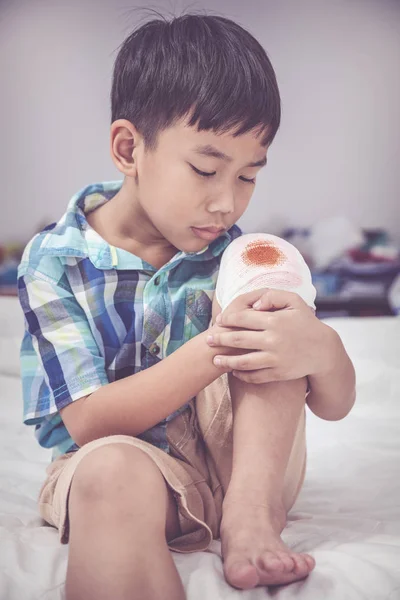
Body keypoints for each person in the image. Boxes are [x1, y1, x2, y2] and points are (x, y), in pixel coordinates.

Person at [17, 11, 356, 600]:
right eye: (205, 169)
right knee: (110, 473)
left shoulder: (242, 257)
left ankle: (249, 518)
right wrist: (214, 348)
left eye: (249, 175)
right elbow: (88, 421)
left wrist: (322, 349)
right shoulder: (55, 261)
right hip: (121, 465)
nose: (227, 202)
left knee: (271, 326)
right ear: (129, 148)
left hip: (247, 475)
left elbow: (334, 403)